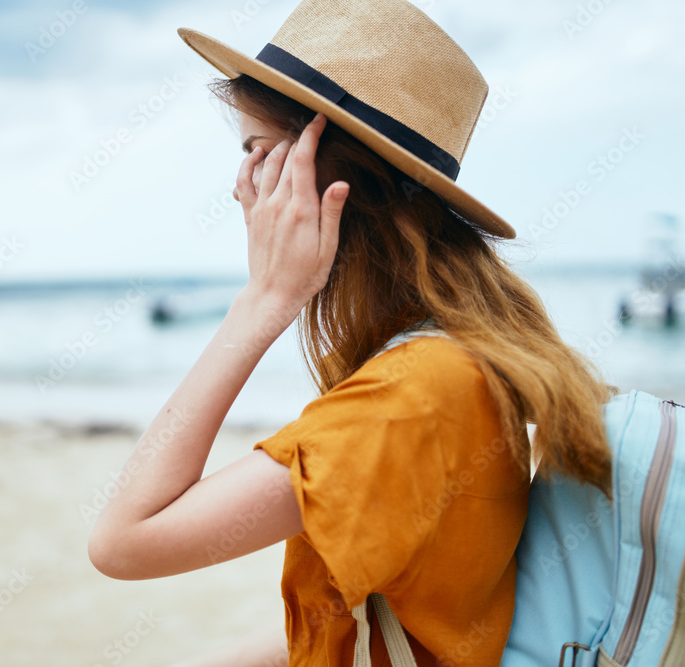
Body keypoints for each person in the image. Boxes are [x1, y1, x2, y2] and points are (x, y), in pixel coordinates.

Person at [87, 0, 616, 664]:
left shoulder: (413, 393)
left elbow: (124, 540)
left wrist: (262, 302)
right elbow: (394, 618)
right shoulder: (456, 355)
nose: (240, 187)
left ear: (328, 177)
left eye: (256, 152)